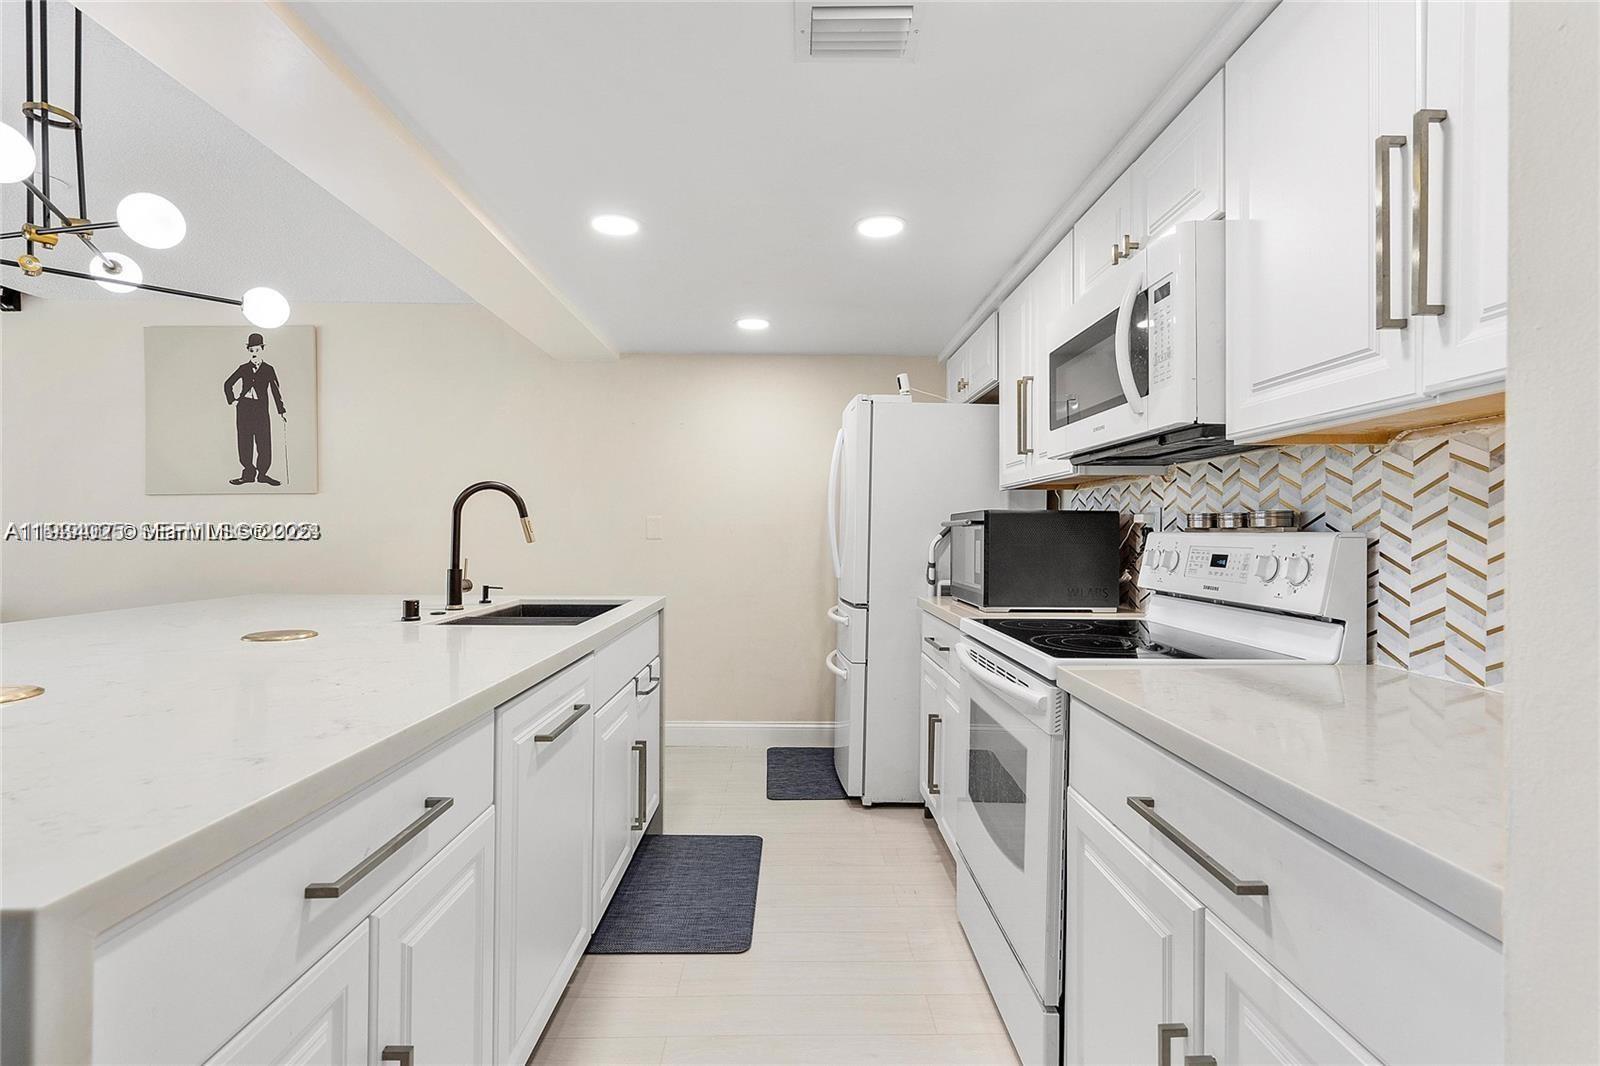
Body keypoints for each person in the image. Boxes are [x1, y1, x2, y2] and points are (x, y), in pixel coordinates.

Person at [222, 333, 287, 486]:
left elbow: (275, 391)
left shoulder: (269, 369)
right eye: (252, 350)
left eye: (257, 350)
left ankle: (263, 474)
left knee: (263, 441)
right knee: (244, 441)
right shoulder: (243, 368)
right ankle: (248, 474)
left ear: (262, 349)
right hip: (244, 408)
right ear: (248, 350)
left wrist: (281, 410)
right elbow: (228, 383)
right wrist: (233, 400)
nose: (254, 353)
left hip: (260, 409)